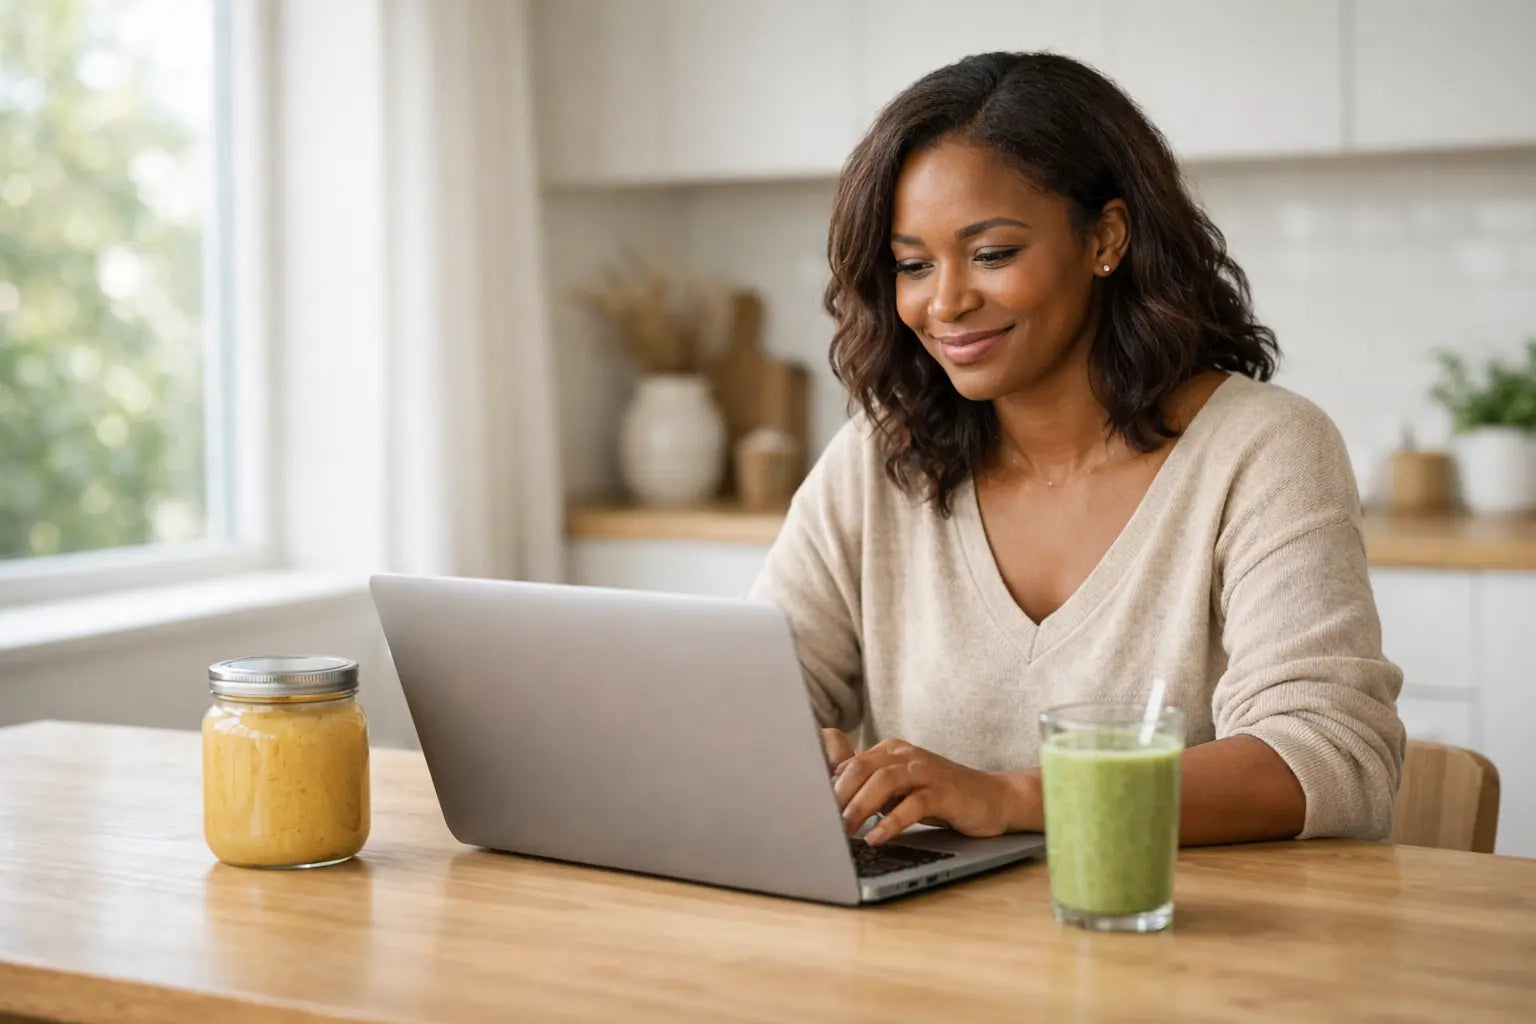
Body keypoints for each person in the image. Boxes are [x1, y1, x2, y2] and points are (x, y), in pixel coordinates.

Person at [748, 52, 1404, 848]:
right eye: (913, 265)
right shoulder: (879, 461)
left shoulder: (1263, 450)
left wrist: (1015, 797)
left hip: (1195, 953)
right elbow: (755, 694)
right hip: (929, 956)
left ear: (1105, 237)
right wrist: (775, 744)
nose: (946, 301)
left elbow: (1331, 758)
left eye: (992, 254)